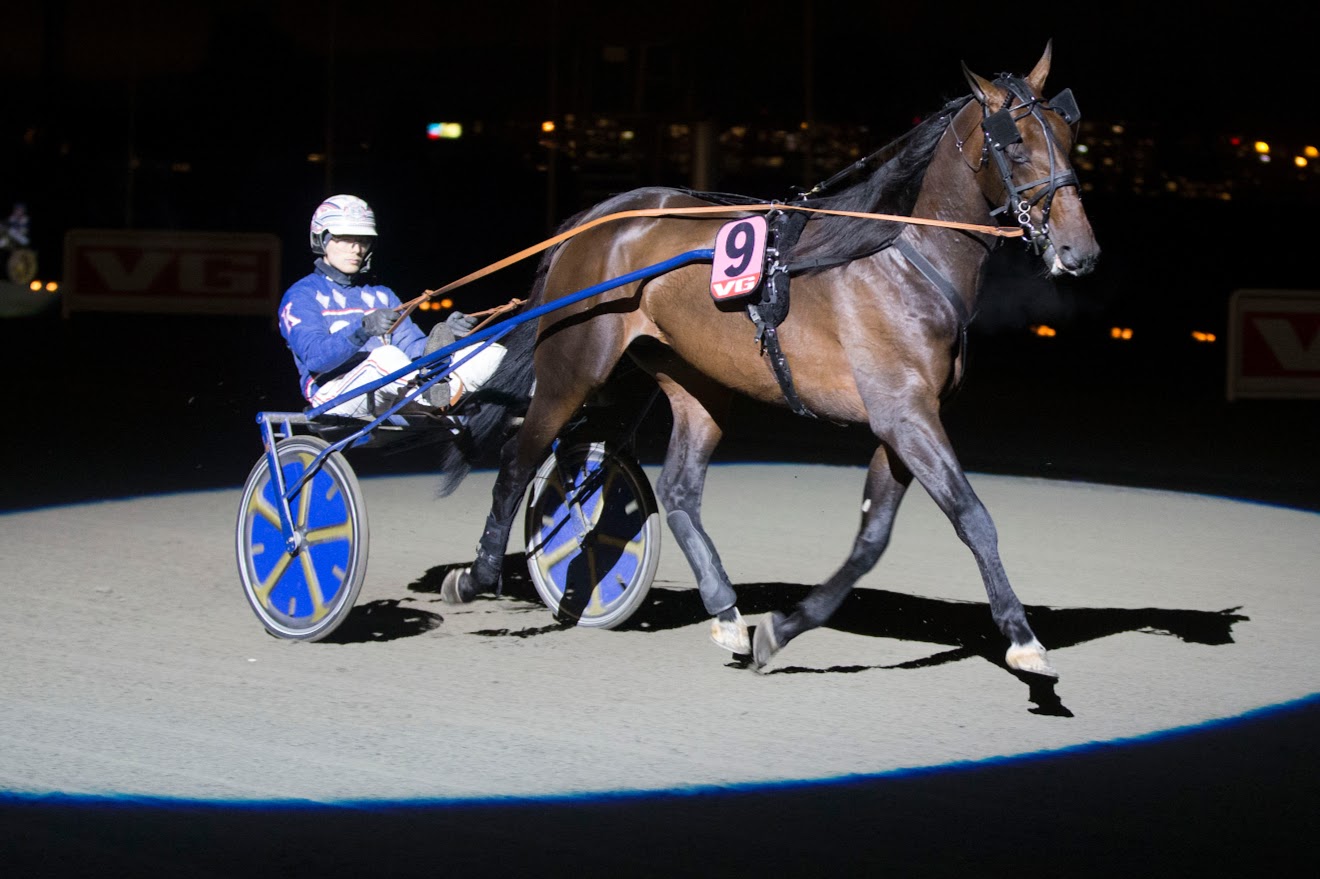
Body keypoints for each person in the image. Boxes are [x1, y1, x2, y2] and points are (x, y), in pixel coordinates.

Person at [279, 194, 506, 418]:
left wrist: (449, 337)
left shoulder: (382, 294)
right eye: (346, 238)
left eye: (363, 240)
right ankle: (443, 397)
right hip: (334, 394)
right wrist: (363, 329)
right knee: (386, 355)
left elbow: (412, 349)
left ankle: (528, 401)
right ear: (322, 239)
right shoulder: (301, 295)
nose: (357, 249)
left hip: (395, 388)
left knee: (489, 353)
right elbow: (316, 359)